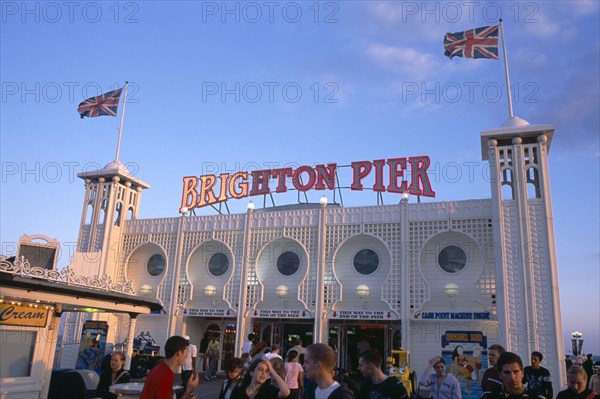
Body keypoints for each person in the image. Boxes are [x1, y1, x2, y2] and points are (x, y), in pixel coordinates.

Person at [480, 352, 546, 399]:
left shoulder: (537, 397)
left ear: (522, 373)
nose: (512, 377)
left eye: (516, 371)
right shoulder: (488, 397)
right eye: (507, 372)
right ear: (500, 375)